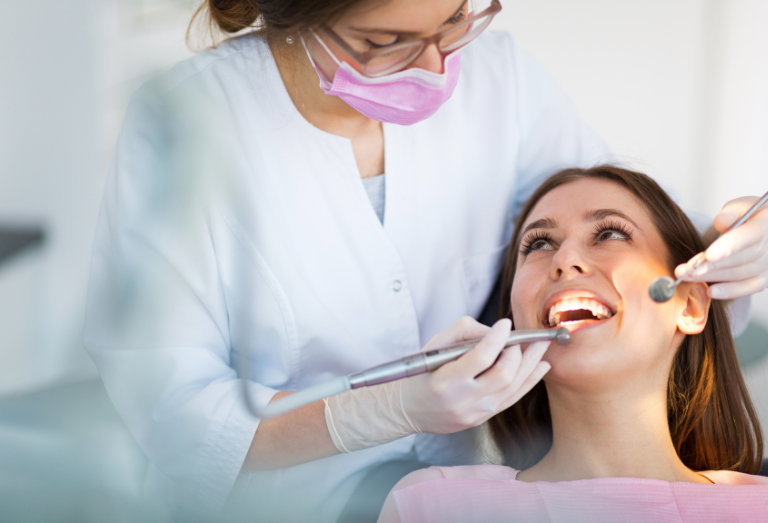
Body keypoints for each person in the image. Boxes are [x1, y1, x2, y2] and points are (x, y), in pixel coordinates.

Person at [83, 0, 768, 521]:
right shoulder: (191, 125)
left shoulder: (503, 85)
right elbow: (177, 415)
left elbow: (634, 222)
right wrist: (380, 410)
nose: (438, 68)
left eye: (454, 21)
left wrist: (728, 233)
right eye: (388, 42)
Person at [378, 165, 768, 523]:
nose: (563, 259)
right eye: (538, 244)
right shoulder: (433, 506)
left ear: (691, 304)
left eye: (610, 234)